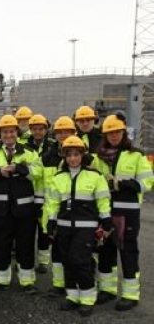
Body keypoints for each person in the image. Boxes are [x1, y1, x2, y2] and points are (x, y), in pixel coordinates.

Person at [92, 113, 153, 311]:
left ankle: (130, 294)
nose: (114, 136)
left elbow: (147, 182)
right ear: (105, 135)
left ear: (123, 133)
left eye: (117, 132)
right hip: (105, 211)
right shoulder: (98, 157)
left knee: (128, 252)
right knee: (105, 251)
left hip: (127, 212)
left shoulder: (136, 155)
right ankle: (107, 290)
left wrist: (123, 184)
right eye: (110, 133)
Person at [46, 136, 111, 317]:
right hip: (64, 227)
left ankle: (87, 299)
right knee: (67, 261)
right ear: (64, 157)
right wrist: (51, 222)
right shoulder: (58, 178)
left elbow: (103, 200)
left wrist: (106, 220)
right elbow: (52, 202)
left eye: (76, 154)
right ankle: (73, 297)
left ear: (83, 155)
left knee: (80, 261)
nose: (72, 158)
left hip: (86, 228)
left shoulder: (95, 176)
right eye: (69, 155)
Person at [0, 115, 40, 294]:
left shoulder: (28, 151)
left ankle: (27, 281)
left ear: (17, 132)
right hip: (0, 209)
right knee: (1, 245)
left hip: (24, 209)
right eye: (5, 132)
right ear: (0, 134)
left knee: (25, 245)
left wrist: (20, 169)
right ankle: (0, 280)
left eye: (12, 131)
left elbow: (38, 172)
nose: (8, 135)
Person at [40, 115, 77, 296]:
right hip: (54, 210)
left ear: (73, 132)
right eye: (59, 132)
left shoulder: (80, 155)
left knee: (76, 251)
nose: (63, 135)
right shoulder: (48, 156)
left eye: (67, 131)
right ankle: (58, 284)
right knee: (56, 251)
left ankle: (75, 284)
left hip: (76, 211)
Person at [26, 114, 55, 274]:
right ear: (30, 130)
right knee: (28, 232)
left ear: (46, 130)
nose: (37, 132)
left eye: (40, 129)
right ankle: (28, 261)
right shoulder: (23, 147)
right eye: (34, 129)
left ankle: (43, 261)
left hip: (45, 195)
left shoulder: (52, 146)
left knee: (44, 230)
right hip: (27, 195)